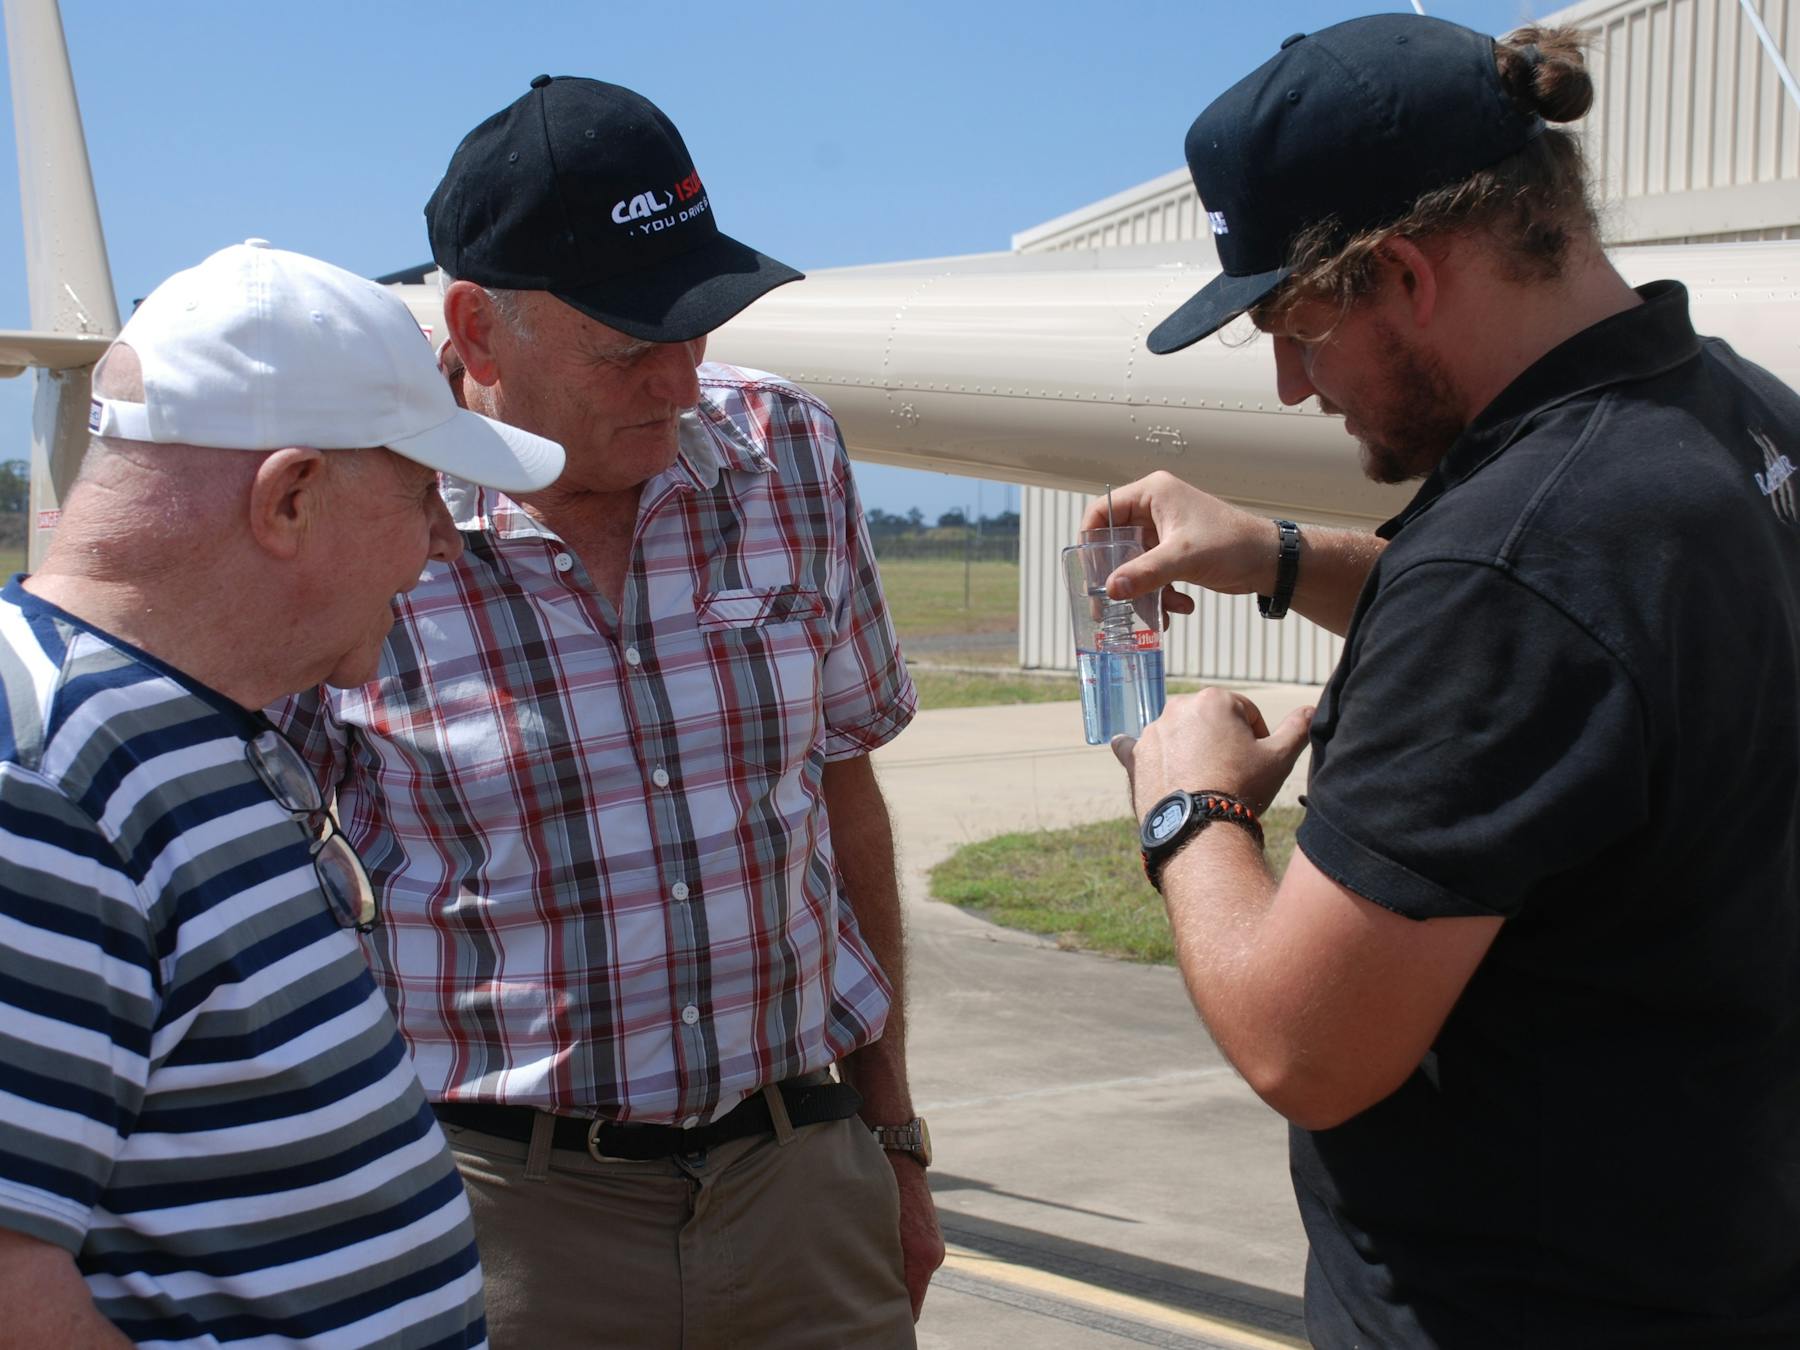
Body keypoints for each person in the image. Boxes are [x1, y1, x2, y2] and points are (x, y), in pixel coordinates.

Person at [1093, 15, 1800, 1348]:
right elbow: (1598, 655)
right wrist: (1281, 556)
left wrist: (1189, 807)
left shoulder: (1513, 559)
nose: (1298, 388)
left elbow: (1305, 1045)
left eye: (1295, 328)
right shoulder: (1730, 419)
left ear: (1403, 272)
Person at [274, 77, 940, 1347]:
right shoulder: (349, 512)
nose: (682, 382)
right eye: (631, 348)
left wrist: (893, 1137)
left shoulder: (788, 454)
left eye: (697, 327)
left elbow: (841, 784)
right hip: (500, 1222)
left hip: (803, 1186)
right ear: (476, 329)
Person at [0, 240, 564, 1347]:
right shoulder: (45, 784)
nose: (442, 544)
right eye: (419, 495)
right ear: (291, 498)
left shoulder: (174, 723)